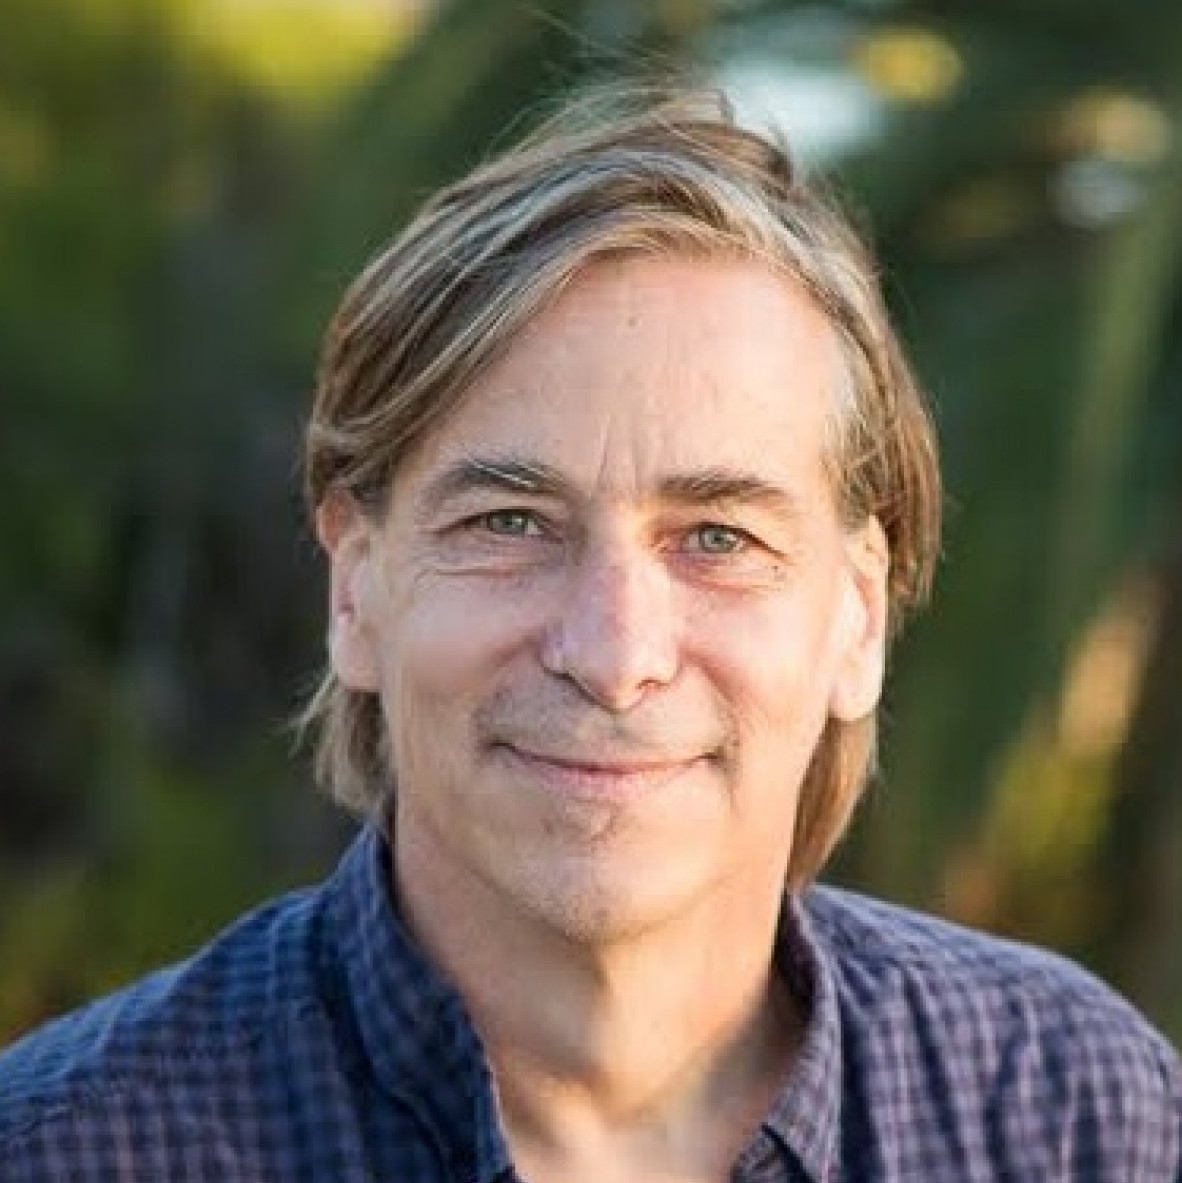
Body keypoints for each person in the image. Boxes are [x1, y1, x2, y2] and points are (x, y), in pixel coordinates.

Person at [1, 85, 1179, 1183]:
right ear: (355, 588)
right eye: (510, 522)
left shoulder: (1079, 1117)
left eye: (717, 537)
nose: (615, 657)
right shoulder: (73, 1150)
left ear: (856, 615)